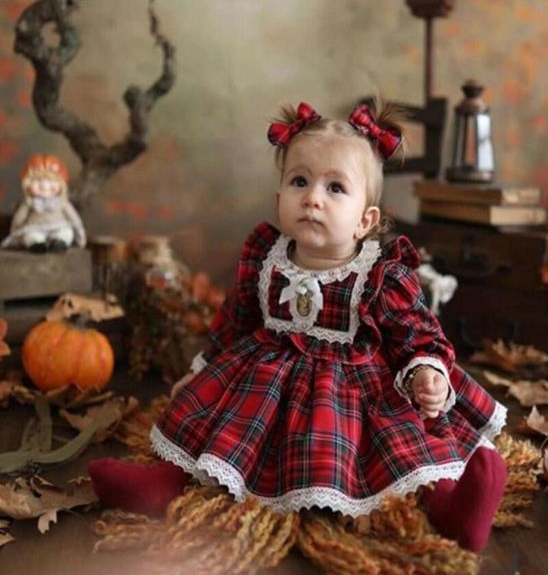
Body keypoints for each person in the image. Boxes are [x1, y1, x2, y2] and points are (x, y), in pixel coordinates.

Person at [88, 101, 507, 552]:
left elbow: (417, 332)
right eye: (299, 181)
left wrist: (427, 372)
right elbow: (236, 320)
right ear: (279, 199)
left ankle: (450, 506)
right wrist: (204, 366)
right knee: (212, 424)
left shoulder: (381, 273)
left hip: (355, 393)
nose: (312, 197)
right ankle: (163, 483)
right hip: (265, 383)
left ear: (366, 221)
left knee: (406, 448)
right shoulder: (265, 255)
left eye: (335, 188)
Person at [1, 154, 86, 252]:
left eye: (51, 181)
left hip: (59, 226)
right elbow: (19, 219)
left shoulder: (62, 202)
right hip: (35, 228)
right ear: (27, 185)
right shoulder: (29, 203)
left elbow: (74, 218)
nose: (44, 185)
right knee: (30, 236)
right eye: (37, 181)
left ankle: (59, 242)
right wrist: (14, 232)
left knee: (66, 232)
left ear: (61, 185)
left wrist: (80, 235)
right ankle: (37, 245)